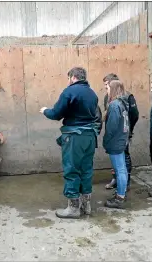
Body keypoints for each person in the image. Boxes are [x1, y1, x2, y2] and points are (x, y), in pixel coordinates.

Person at [40, 67, 102, 219]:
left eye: (68, 78)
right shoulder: (92, 93)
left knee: (72, 169)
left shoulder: (69, 91)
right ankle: (86, 205)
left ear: (73, 77)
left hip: (74, 136)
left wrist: (45, 110)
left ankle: (73, 208)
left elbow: (56, 114)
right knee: (86, 169)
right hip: (90, 136)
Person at [102, 74, 139, 191]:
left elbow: (134, 115)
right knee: (118, 162)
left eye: (107, 85)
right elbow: (107, 114)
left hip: (121, 133)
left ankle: (124, 184)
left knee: (123, 159)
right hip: (117, 134)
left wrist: (128, 130)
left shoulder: (126, 97)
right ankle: (117, 179)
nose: (105, 87)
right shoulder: (109, 98)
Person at [103, 80, 130, 209]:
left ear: (113, 89)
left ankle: (120, 198)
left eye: (107, 88)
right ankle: (121, 192)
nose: (106, 90)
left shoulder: (114, 105)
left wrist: (106, 141)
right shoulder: (123, 103)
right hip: (121, 140)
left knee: (120, 170)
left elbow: (111, 127)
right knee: (122, 169)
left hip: (116, 142)